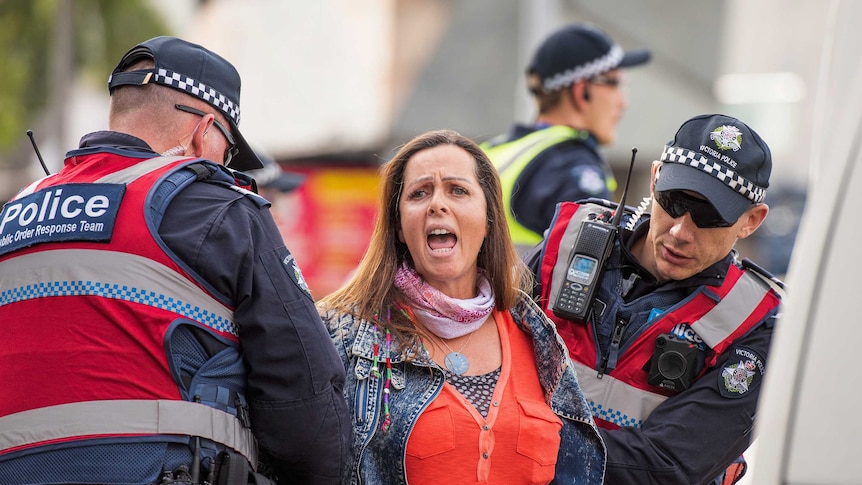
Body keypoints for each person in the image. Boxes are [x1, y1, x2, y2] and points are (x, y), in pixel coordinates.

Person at [0, 36, 349, 485]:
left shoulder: (13, 215)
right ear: (205, 132)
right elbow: (305, 399)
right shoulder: (219, 208)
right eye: (228, 146)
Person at [316, 129, 606, 484]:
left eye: (458, 190)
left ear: (488, 221)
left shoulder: (538, 336)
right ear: (399, 228)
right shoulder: (340, 334)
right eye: (420, 193)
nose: (438, 204)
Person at [525, 113, 785, 484]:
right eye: (674, 200)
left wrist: (516, 438)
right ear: (654, 177)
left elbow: (666, 468)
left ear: (751, 221)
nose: (681, 231)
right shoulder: (569, 241)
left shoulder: (755, 322)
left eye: (711, 217)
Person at [481, 22, 650, 253]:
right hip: (524, 290)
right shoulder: (572, 167)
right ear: (582, 92)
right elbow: (589, 270)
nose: (623, 102)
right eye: (615, 84)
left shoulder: (494, 150)